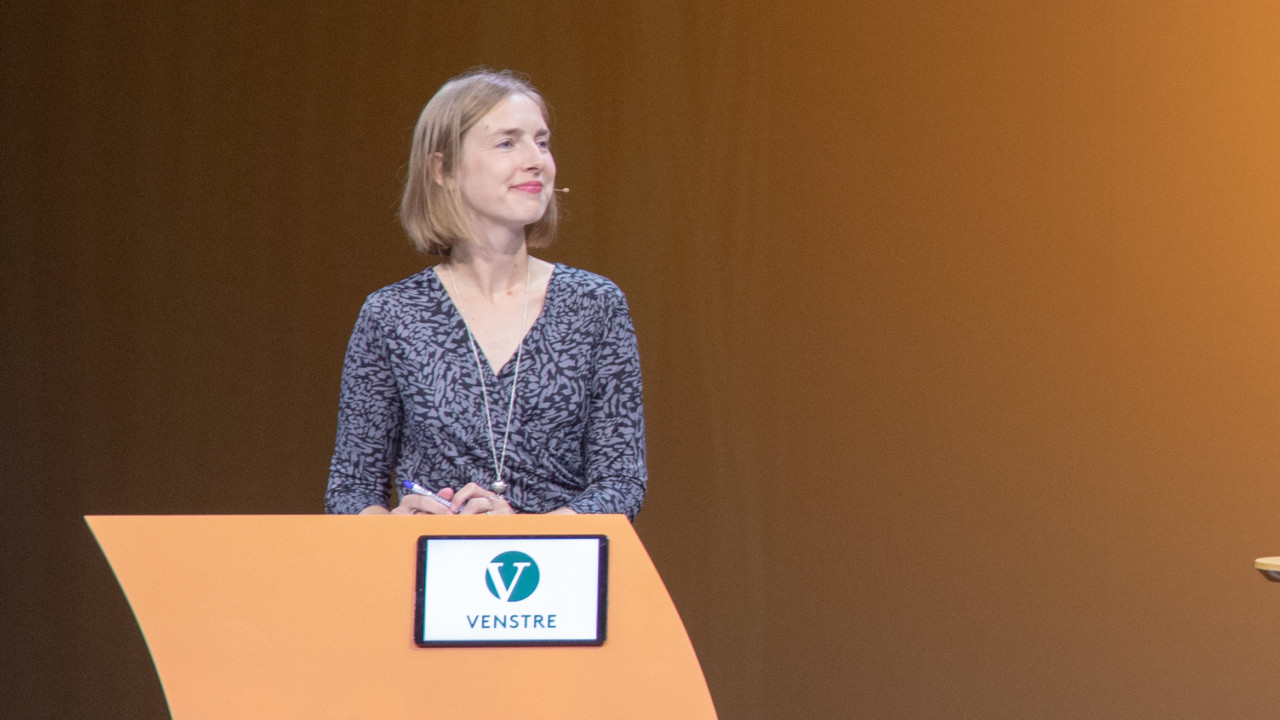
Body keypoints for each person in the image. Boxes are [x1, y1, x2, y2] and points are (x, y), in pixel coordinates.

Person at [324, 69, 646, 520]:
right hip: (431, 557)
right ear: (443, 169)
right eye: (507, 143)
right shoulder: (392, 314)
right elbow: (351, 488)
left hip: (552, 560)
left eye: (542, 142)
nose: (536, 161)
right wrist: (392, 525)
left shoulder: (594, 304)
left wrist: (526, 536)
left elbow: (621, 483)